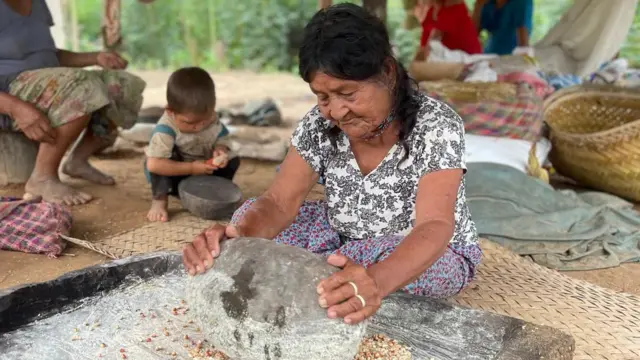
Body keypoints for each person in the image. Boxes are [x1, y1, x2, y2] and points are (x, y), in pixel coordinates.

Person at [182, 3, 481, 325]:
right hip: (340, 235)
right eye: (323, 97)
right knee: (248, 216)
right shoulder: (318, 125)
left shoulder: (435, 124)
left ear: (388, 72)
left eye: (348, 94)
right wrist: (234, 238)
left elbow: (434, 226)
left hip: (422, 248)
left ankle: (339, 275)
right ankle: (335, 273)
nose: (336, 112)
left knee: (429, 269)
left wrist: (376, 283)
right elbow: (280, 202)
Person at [0, 0, 145, 205]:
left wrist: (96, 57)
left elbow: (49, 55)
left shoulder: (37, 4)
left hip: (43, 82)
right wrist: (15, 109)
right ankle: (42, 178)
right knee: (81, 85)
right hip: (7, 93)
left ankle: (77, 160)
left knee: (123, 85)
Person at [145, 67, 238, 223]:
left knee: (233, 159)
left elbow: (222, 137)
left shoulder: (211, 116)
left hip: (205, 172)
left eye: (205, 120)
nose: (199, 127)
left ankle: (216, 193)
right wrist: (192, 168)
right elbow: (154, 165)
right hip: (175, 174)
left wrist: (220, 150)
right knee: (160, 161)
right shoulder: (165, 130)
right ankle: (159, 201)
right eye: (190, 123)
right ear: (170, 111)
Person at [414, 0, 482, 60]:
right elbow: (423, 43)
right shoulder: (431, 11)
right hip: (449, 61)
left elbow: (434, 38)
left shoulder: (455, 8)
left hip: (469, 60)